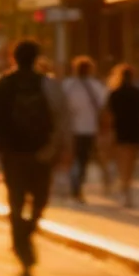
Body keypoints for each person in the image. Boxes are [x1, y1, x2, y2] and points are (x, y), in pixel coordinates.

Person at [0, 40, 70, 276]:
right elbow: (63, 119)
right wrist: (64, 150)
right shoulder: (49, 86)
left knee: (16, 204)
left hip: (12, 155)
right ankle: (29, 231)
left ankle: (23, 249)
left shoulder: (2, 85)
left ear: (12, 58)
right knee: (40, 200)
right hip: (42, 154)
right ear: (37, 58)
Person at [60, 56, 109, 202]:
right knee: (82, 159)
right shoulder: (96, 86)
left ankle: (72, 185)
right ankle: (77, 187)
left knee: (72, 157)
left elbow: (61, 106)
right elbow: (103, 107)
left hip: (70, 129)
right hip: (89, 128)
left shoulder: (67, 85)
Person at [105, 64, 139, 208]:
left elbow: (108, 114)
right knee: (131, 161)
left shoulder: (114, 93)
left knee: (122, 161)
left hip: (119, 130)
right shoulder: (138, 93)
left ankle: (124, 188)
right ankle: (126, 188)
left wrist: (108, 131)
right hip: (135, 130)